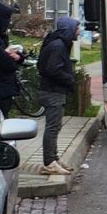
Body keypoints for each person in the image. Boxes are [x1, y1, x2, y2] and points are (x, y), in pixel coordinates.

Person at [35, 16, 79, 172]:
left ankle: (54, 158)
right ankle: (49, 162)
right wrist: (69, 79)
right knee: (53, 127)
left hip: (53, 90)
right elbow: (53, 69)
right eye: (76, 28)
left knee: (56, 126)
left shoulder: (56, 44)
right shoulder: (59, 46)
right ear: (69, 30)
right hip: (53, 91)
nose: (78, 32)